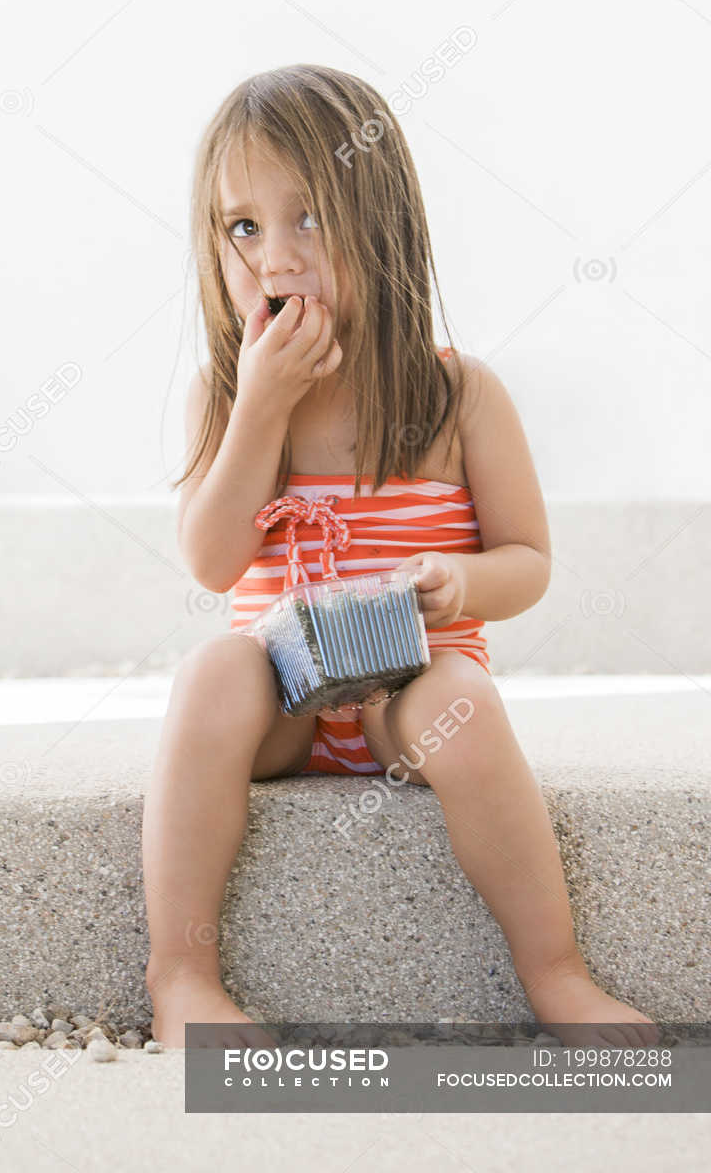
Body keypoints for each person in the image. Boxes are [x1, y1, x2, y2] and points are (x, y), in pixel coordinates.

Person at [142, 64, 658, 1051]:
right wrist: (261, 407)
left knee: (463, 707)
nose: (277, 258)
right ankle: (183, 978)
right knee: (214, 669)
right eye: (243, 228)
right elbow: (211, 562)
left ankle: (558, 977)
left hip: (407, 695)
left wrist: (458, 581)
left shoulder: (459, 396)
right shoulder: (228, 393)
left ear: (381, 225)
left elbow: (529, 560)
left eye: (310, 220)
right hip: (284, 709)